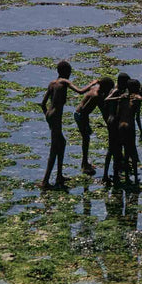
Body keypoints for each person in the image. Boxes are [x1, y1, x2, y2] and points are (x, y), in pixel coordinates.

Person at [39, 60, 97, 189]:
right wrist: (92, 84)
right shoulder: (64, 82)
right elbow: (80, 91)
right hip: (55, 116)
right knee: (54, 148)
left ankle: (59, 175)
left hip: (50, 114)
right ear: (66, 72)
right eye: (70, 72)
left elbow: (43, 104)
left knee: (62, 143)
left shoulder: (52, 83)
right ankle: (45, 181)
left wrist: (48, 119)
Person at [104, 79, 142, 183]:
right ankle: (134, 177)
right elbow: (137, 117)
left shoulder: (122, 98)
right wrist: (141, 131)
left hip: (120, 126)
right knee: (131, 151)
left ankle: (119, 176)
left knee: (119, 149)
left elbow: (118, 114)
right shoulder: (136, 99)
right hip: (129, 126)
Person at [74, 77, 115, 176]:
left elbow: (102, 108)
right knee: (86, 139)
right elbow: (84, 111)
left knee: (86, 138)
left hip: (82, 114)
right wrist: (87, 125)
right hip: (80, 115)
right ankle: (84, 164)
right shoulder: (96, 95)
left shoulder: (97, 89)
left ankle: (85, 162)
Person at [101, 73, 129, 184]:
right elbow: (107, 100)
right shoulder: (116, 91)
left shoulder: (120, 90)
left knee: (116, 148)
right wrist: (119, 97)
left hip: (114, 121)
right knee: (112, 149)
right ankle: (105, 175)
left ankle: (115, 173)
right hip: (112, 122)